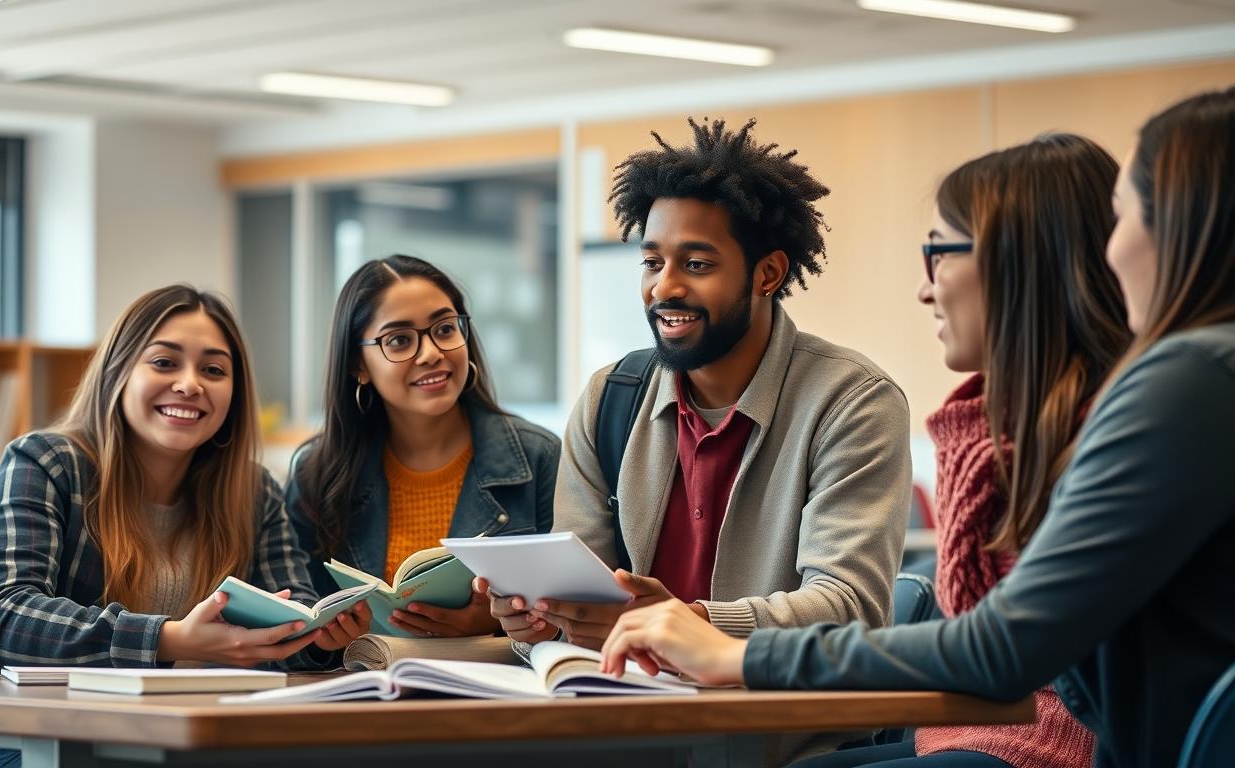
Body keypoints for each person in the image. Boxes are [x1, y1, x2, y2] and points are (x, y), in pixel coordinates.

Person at [600, 87, 1235, 768]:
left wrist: (737, 651)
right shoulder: (1183, 380)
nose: (1108, 253)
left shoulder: (1189, 380)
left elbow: (1004, 650)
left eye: (1121, 218)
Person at [482, 117, 913, 758]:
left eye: (698, 263)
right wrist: (536, 622)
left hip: (780, 749)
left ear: (767, 274)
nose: (665, 287)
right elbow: (581, 607)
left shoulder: (852, 402)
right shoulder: (610, 399)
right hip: (625, 739)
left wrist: (693, 624)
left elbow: (848, 609)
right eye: (653, 261)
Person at [815, 133, 1132, 768]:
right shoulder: (986, 431)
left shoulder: (1107, 434)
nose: (924, 291)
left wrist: (735, 651)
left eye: (939, 256)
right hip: (971, 734)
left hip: (1051, 748)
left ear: (1020, 264)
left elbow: (1007, 655)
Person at [0, 285, 348, 768]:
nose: (191, 384)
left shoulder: (253, 491)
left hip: (183, 735)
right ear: (119, 372)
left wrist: (316, 636)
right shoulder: (45, 462)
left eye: (213, 370)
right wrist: (168, 639)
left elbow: (290, 604)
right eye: (165, 362)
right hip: (25, 738)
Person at [287, 255, 559, 643]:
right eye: (399, 340)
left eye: (445, 329)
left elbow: (573, 621)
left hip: (493, 695)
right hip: (363, 692)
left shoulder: (539, 457)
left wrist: (499, 626)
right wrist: (320, 642)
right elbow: (291, 617)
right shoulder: (317, 474)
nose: (431, 352)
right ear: (357, 365)